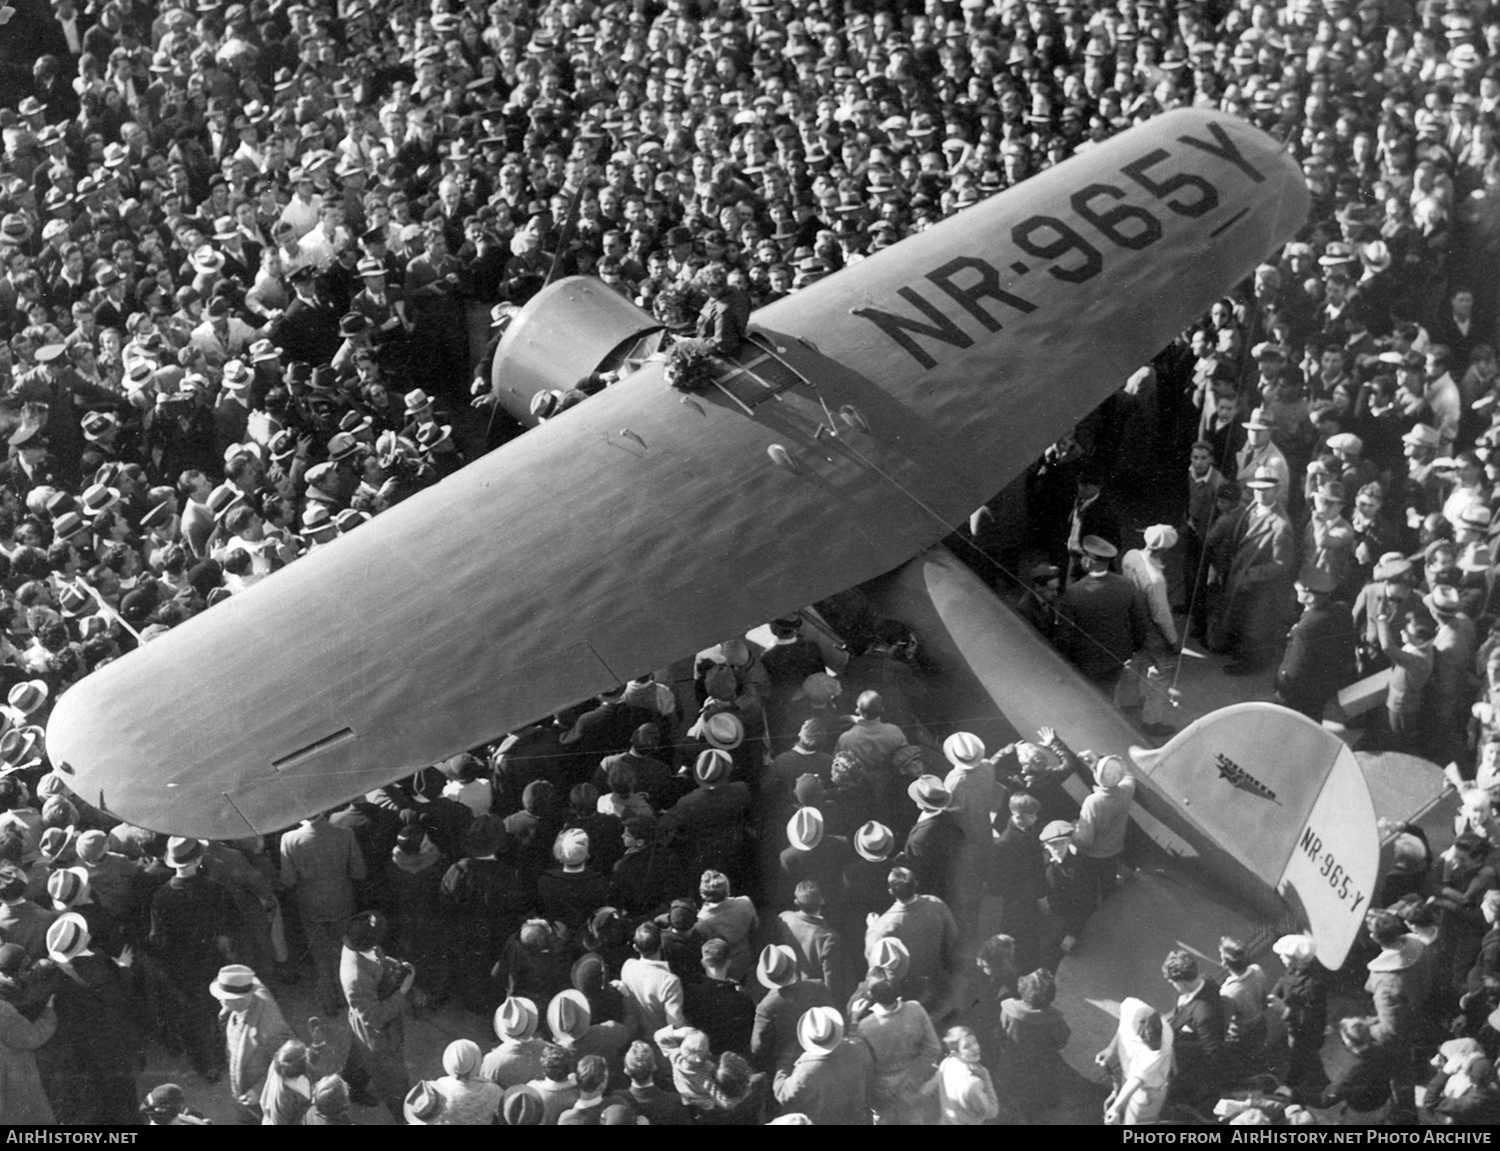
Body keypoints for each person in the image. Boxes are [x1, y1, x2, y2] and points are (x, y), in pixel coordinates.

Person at [279, 809, 366, 1016]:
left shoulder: (289, 838)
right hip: (341, 901)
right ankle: (348, 1000)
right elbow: (359, 872)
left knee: (320, 955)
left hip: (310, 905)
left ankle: (329, 1004)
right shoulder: (345, 834)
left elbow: (288, 880)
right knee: (345, 952)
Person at [1220, 465, 1296, 675]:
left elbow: (1281, 563)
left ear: (1277, 490)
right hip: (1241, 574)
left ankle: (1250, 665)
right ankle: (1241, 654)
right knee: (1240, 618)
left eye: (1266, 490)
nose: (1261, 493)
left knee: (1254, 627)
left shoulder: (1280, 525)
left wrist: (1252, 576)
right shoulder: (1252, 507)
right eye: (1257, 489)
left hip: (1259, 585)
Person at [340, 910, 413, 1120]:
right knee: (393, 1077)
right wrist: (403, 992)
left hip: (365, 1018)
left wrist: (389, 963)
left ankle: (354, 1088)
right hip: (375, 1027)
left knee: (359, 1057)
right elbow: (375, 1017)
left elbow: (375, 954)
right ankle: (405, 1116)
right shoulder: (354, 976)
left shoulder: (361, 944)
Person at [1055, 535, 1149, 689]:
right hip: (1116, 658)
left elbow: (1065, 634)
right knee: (1109, 694)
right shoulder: (1127, 585)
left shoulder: (1073, 592)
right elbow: (1140, 624)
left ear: (1089, 561)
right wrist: (1132, 649)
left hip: (1084, 661)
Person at [212, 963, 293, 1123]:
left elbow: (287, 1063)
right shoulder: (236, 1007)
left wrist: (258, 1090)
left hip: (262, 1100)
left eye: (224, 996)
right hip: (242, 1093)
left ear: (240, 999)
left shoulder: (269, 1026)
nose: (219, 998)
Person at [856, 971, 941, 1125]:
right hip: (913, 1087)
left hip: (882, 1093)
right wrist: (911, 1080)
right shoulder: (915, 1009)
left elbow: (860, 1062)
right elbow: (933, 1048)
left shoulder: (865, 1026)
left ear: (871, 995)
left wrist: (853, 1021)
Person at [772, 1005, 875, 1125]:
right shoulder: (859, 1047)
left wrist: (783, 1065)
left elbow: (784, 1095)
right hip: (857, 1118)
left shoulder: (806, 1069)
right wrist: (853, 1022)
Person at [1275, 569, 1357, 721]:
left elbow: (1295, 666)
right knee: (1313, 719)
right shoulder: (1341, 610)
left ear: (1310, 596)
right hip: (1325, 683)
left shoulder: (1305, 628)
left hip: (1301, 690)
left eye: (1298, 589)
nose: (1296, 591)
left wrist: (1283, 688)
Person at [1162, 949, 1227, 1110]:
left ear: (1183, 983)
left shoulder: (1203, 1013)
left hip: (1192, 1063)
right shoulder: (1206, 980)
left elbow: (1212, 1052)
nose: (1172, 985)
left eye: (1173, 982)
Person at [1099, 998, 1173, 1125]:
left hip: (1146, 1091)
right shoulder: (1130, 1005)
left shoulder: (1159, 1050)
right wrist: (1110, 1048)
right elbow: (1123, 1027)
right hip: (1129, 1074)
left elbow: (1136, 1080)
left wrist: (1115, 1108)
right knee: (1122, 1107)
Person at [926, 1025, 1000, 1125]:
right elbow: (992, 1112)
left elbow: (929, 1088)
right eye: (967, 1046)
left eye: (974, 1042)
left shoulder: (946, 1063)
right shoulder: (973, 1083)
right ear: (956, 1051)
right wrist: (986, 1080)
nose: (974, 1048)